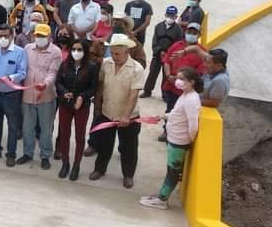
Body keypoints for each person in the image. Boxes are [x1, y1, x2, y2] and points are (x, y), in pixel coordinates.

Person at [139, 67, 203, 210]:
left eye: (182, 79)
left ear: (191, 82)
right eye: (177, 78)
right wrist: (163, 116)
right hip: (175, 139)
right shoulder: (185, 95)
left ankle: (162, 200)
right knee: (171, 170)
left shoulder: (192, 100)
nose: (177, 81)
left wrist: (190, 139)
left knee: (173, 172)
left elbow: (193, 124)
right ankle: (161, 196)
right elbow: (177, 113)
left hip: (180, 142)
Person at [89, 33, 145, 189]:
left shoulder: (136, 69)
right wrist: (98, 108)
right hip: (107, 113)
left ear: (127, 52)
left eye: (118, 54)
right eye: (112, 53)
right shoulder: (106, 64)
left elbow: (134, 95)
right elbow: (100, 86)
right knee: (104, 145)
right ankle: (99, 169)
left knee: (129, 147)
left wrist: (126, 117)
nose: (114, 56)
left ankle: (128, 175)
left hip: (129, 117)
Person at [0, 25, 28, 167]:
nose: (3, 39)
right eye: (0, 36)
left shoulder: (19, 52)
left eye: (6, 36)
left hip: (11, 95)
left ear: (12, 35)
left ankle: (11, 154)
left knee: (13, 126)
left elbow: (22, 72)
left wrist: (9, 78)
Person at [19, 24, 62, 169]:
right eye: (38, 35)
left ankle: (45, 155)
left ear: (50, 37)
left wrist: (45, 84)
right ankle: (27, 153)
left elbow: (53, 72)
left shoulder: (56, 52)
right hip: (28, 96)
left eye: (43, 36)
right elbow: (22, 68)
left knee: (46, 129)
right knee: (27, 127)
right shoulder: (27, 49)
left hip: (46, 96)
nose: (40, 38)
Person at [56, 39, 99, 180]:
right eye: (74, 49)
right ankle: (65, 163)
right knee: (64, 134)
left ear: (85, 52)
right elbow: (58, 82)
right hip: (65, 104)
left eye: (79, 50)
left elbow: (93, 88)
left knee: (79, 136)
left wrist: (82, 96)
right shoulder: (65, 64)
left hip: (82, 106)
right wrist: (63, 92)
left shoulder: (92, 67)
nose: (76, 52)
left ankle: (76, 165)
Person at [159, 22, 207, 141]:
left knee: (183, 113)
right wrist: (169, 75)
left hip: (186, 89)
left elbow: (200, 72)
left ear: (199, 35)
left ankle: (179, 133)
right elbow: (166, 61)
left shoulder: (201, 51)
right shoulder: (176, 45)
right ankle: (166, 131)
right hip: (172, 85)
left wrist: (184, 80)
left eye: (194, 33)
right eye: (189, 32)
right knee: (170, 108)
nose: (191, 34)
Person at [141, 5, 183, 98]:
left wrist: (168, 54)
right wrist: (159, 51)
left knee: (166, 76)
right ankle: (147, 91)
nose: (170, 17)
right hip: (157, 55)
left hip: (169, 58)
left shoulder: (178, 30)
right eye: (168, 15)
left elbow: (178, 44)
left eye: (172, 16)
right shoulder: (158, 26)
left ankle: (165, 94)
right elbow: (154, 41)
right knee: (152, 73)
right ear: (165, 14)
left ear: (176, 17)